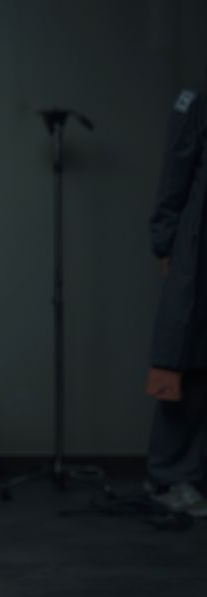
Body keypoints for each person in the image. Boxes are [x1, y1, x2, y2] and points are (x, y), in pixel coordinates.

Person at [144, 74, 207, 518]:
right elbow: (175, 174)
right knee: (186, 362)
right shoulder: (196, 99)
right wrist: (165, 242)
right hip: (198, 252)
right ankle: (168, 478)